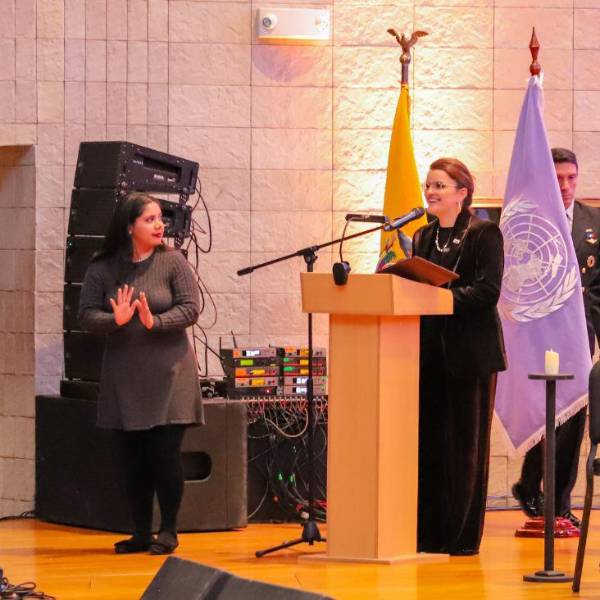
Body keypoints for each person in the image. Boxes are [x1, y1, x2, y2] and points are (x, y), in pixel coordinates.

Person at [78, 192, 203, 555]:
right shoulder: (102, 266)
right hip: (125, 377)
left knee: (165, 454)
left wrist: (155, 321)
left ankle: (169, 530)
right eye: (149, 219)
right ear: (129, 226)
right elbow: (85, 315)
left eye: (160, 218)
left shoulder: (173, 261)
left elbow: (191, 308)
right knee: (133, 459)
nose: (159, 225)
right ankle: (141, 533)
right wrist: (114, 319)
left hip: (171, 374)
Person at [413, 157, 507, 555]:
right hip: (428, 353)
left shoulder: (484, 233)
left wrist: (440, 301)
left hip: (471, 355)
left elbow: (488, 292)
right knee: (431, 444)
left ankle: (461, 537)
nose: (430, 192)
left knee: (465, 448)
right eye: (429, 185)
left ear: (462, 192)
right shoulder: (422, 236)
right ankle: (428, 533)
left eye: (439, 185)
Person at [511, 148, 600, 527]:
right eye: (558, 178)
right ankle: (531, 484)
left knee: (574, 415)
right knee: (545, 413)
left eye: (571, 178)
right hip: (540, 333)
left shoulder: (593, 220)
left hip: (581, 333)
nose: (565, 186)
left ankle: (559, 503)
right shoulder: (531, 221)